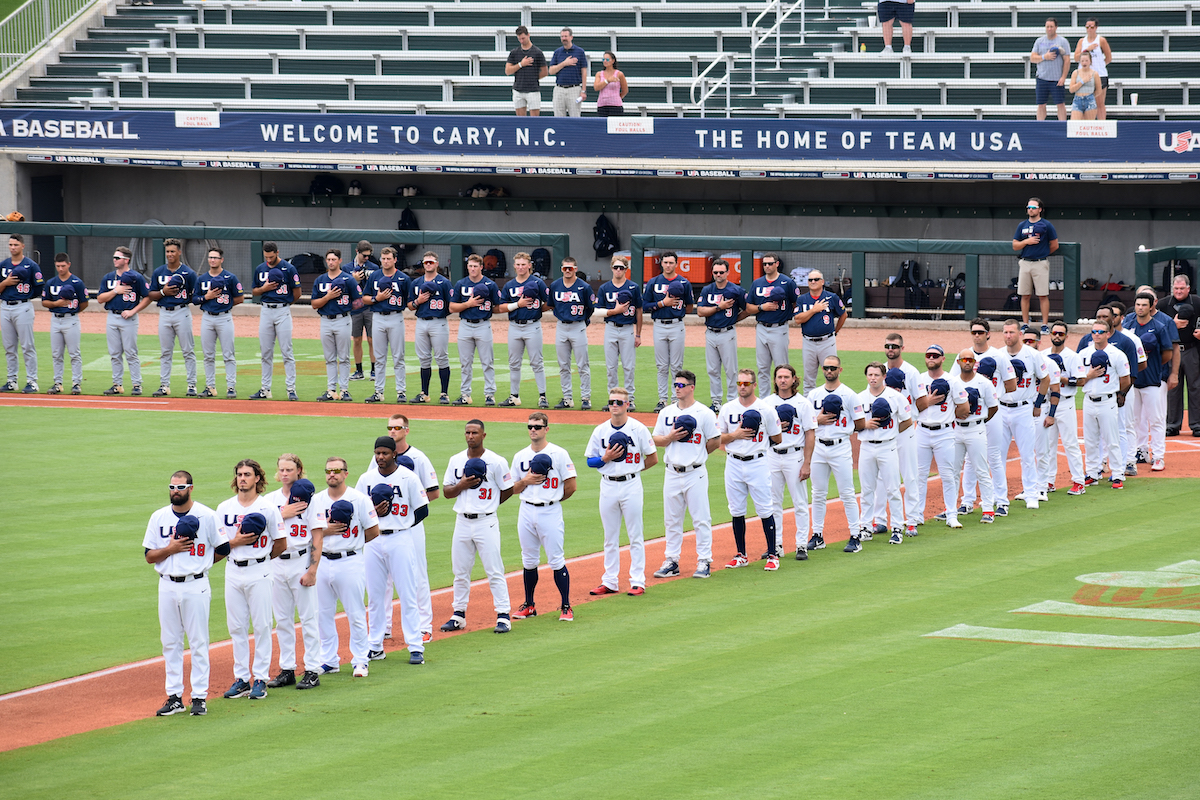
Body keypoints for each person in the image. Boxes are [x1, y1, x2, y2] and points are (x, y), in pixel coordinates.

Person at [144, 471, 229, 717]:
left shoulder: (207, 515)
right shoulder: (158, 517)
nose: (175, 490)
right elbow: (149, 556)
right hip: (167, 585)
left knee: (198, 641)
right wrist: (170, 549)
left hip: (196, 585)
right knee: (170, 642)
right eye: (172, 486)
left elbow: (223, 548)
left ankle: (199, 697)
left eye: (180, 486)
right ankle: (174, 697)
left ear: (191, 488)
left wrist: (202, 565)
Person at [216, 459, 286, 701]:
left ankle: (260, 679)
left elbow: (281, 542)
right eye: (239, 474)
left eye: (247, 474)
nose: (242, 478)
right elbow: (219, 542)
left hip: (260, 570)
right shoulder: (224, 507)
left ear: (258, 478)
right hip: (233, 570)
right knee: (236, 626)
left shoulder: (268, 508)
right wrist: (235, 544)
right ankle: (241, 678)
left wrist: (263, 560)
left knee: (262, 625)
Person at [357, 436, 429, 665]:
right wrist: (372, 515)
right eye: (377, 453)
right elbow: (357, 511)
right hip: (374, 542)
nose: (380, 457)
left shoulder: (408, 477)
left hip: (400, 538)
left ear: (394, 454)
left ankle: (415, 646)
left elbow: (422, 509)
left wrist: (403, 524)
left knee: (408, 594)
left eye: (384, 453)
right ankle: (375, 645)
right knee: (376, 596)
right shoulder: (366, 479)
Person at [441, 420, 516, 633]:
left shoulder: (496, 461)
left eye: (475, 432)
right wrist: (461, 485)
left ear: (483, 435)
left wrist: (491, 504)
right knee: (460, 571)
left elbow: (508, 488)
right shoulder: (455, 460)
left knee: (494, 570)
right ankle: (458, 615)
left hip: (486, 521)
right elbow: (447, 492)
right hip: (462, 521)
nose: (470, 436)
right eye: (467, 432)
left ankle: (503, 615)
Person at [309, 456, 380, 677]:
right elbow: (312, 533)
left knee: (355, 612)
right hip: (322, 562)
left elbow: (373, 530)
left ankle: (361, 660)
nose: (332, 474)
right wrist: (327, 532)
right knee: (323, 613)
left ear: (346, 474)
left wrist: (354, 544)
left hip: (350, 561)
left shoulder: (359, 499)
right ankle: (329, 660)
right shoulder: (317, 500)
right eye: (329, 470)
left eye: (337, 470)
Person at [585, 387, 658, 594]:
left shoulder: (638, 429)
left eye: (619, 402)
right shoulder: (600, 430)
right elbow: (590, 461)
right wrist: (605, 459)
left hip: (631, 485)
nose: (614, 405)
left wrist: (632, 470)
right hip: (607, 485)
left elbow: (653, 458)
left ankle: (638, 580)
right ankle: (609, 581)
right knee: (610, 536)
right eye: (611, 402)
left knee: (635, 534)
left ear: (627, 405)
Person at [652, 369, 721, 579]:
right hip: (671, 472)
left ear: (692, 387)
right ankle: (671, 560)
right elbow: (655, 439)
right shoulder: (666, 413)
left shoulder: (705, 413)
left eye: (681, 385)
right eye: (675, 385)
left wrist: (698, 455)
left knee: (701, 518)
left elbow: (715, 441)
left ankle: (704, 561)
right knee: (671, 520)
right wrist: (670, 437)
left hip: (695, 472)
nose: (677, 389)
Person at [263, 454, 322, 691]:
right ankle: (287, 669)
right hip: (276, 563)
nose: (285, 473)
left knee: (309, 617)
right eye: (282, 469)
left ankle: (312, 669)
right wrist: (281, 514)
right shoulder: (269, 500)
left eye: (290, 469)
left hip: (300, 561)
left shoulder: (310, 500)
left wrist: (313, 569)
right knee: (283, 619)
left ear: (299, 470)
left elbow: (317, 534)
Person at [511, 412, 578, 621]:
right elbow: (512, 488)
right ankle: (529, 605)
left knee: (556, 559)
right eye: (530, 426)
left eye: (538, 426)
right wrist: (526, 481)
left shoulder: (559, 453)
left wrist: (553, 499)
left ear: (546, 429)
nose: (533, 430)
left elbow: (571, 485)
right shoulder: (520, 456)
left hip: (550, 510)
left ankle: (566, 606)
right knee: (529, 559)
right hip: (526, 509)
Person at [382, 414, 439, 642]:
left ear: (406, 430)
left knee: (417, 573)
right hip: (386, 527)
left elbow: (433, 492)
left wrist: (409, 502)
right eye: (390, 427)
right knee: (383, 577)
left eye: (397, 427)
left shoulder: (418, 458)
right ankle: (384, 626)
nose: (393, 431)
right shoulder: (380, 458)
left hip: (412, 525)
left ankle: (425, 626)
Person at [719, 369, 784, 568]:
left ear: (754, 385)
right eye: (739, 383)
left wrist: (759, 446)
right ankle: (741, 554)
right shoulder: (727, 409)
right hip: (733, 462)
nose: (742, 387)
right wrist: (736, 435)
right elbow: (718, 438)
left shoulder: (766, 409)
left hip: (758, 462)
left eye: (746, 383)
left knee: (765, 508)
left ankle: (773, 555)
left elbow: (778, 438)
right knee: (736, 509)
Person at [952, 320, 1017, 515]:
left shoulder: (999, 356)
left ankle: (1002, 501)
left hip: (993, 412)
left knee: (995, 457)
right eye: (974, 332)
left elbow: (1011, 384)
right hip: (968, 416)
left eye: (981, 332)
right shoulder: (964, 356)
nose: (977, 335)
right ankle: (967, 501)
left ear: (988, 334)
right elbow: (952, 382)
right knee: (970, 460)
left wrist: (992, 395)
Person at [805, 357, 866, 552]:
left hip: (840, 447)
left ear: (840, 369)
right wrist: (818, 420)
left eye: (833, 368)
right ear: (822, 369)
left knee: (847, 493)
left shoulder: (849, 395)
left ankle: (855, 535)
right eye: (826, 368)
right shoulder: (813, 395)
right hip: (819, 448)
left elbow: (860, 423)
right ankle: (817, 535)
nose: (829, 371)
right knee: (818, 493)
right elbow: (806, 423)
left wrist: (843, 428)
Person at [998, 320, 1055, 510]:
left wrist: (1038, 403)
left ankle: (1031, 494)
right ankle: (998, 495)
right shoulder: (998, 355)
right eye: (1005, 332)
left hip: (1023, 408)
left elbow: (1045, 379)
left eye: (1011, 332)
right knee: (998, 455)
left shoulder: (1032, 355)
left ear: (1019, 334)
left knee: (1027, 454)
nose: (1008, 336)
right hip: (1001, 408)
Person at [912, 345, 969, 529]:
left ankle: (951, 514)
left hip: (944, 432)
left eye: (935, 356)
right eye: (928, 355)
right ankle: (917, 515)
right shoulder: (918, 380)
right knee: (919, 475)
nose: (931, 358)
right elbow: (912, 407)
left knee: (948, 475)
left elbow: (964, 407)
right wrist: (927, 402)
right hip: (921, 430)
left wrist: (950, 415)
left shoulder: (952, 381)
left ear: (943, 358)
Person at [765, 364, 816, 558]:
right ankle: (776, 545)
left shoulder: (803, 404)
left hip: (794, 456)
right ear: (775, 380)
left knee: (800, 502)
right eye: (779, 377)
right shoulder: (767, 403)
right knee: (773, 502)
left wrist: (807, 462)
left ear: (794, 379)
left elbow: (810, 434)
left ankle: (801, 544)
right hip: (772, 455)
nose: (783, 380)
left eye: (787, 377)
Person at [858, 361, 912, 542]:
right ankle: (865, 527)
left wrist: (892, 433)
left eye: (876, 375)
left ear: (884, 377)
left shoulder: (895, 397)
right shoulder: (859, 398)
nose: (873, 378)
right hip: (866, 446)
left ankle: (897, 527)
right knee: (866, 490)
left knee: (893, 489)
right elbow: (854, 423)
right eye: (870, 375)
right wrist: (865, 425)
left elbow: (907, 420)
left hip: (887, 446)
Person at [1079, 319, 1131, 489]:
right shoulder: (1083, 353)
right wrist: (1089, 376)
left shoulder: (1117, 354)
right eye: (1094, 331)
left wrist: (1119, 394)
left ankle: (1117, 474)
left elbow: (1125, 379)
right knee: (1090, 440)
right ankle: (1092, 473)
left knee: (1112, 439)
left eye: (1100, 332)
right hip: (1088, 400)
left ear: (1108, 334)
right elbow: (1078, 380)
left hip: (1107, 400)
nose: (1096, 335)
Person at [1125, 291, 1173, 471]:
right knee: (1134, 419)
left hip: (1153, 380)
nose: (1140, 308)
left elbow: (1167, 352)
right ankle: (1139, 452)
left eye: (1144, 305)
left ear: (1152, 306)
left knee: (1157, 419)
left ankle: (1159, 456)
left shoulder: (1159, 326)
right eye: (1138, 304)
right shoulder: (1128, 324)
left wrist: (1152, 366)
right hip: (1132, 381)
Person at [883, 333, 927, 532]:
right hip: (885, 431)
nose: (891, 349)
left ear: (902, 348)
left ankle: (914, 517)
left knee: (909, 474)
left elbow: (921, 401)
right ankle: (880, 520)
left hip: (906, 428)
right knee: (881, 477)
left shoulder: (912, 372)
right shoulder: (880, 370)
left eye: (894, 346)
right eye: (888, 345)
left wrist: (911, 419)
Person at [249, 242, 302, 401]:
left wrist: (285, 304)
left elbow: (297, 292)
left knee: (287, 351)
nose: (269, 259)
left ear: (277, 253)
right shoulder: (260, 269)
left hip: (282, 310)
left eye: (271, 256)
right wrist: (264, 289)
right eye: (266, 257)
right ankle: (265, 389)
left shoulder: (288, 268)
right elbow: (254, 291)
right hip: (265, 310)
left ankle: (291, 389)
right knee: (265, 352)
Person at [498, 252, 550, 409]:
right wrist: (517, 305)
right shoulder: (509, 285)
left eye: (523, 264)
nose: (521, 267)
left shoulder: (538, 282)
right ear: (514, 266)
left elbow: (549, 302)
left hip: (532, 325)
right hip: (514, 325)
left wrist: (538, 311)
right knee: (514, 363)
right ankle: (514, 396)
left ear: (529, 265)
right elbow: (501, 307)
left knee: (537, 362)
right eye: (518, 264)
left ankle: (542, 397)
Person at [951, 350, 999, 524]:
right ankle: (951, 510)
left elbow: (993, 407)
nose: (967, 362)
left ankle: (988, 509)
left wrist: (981, 420)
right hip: (956, 430)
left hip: (976, 429)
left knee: (981, 469)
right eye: (964, 359)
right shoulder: (953, 382)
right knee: (953, 471)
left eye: (970, 360)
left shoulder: (984, 383)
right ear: (958, 362)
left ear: (974, 362)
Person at [644, 251, 694, 412]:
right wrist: (662, 304)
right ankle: (662, 399)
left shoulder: (684, 282)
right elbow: (645, 305)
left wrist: (676, 313)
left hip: (676, 324)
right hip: (658, 324)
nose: (668, 265)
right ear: (661, 263)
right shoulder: (653, 282)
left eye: (671, 262)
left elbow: (690, 306)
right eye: (665, 262)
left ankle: (675, 398)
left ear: (676, 264)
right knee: (662, 365)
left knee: (676, 365)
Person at [450, 252, 501, 407]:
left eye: (475, 266)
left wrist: (489, 309)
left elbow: (497, 306)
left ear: (481, 267)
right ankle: (465, 394)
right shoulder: (461, 284)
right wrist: (468, 304)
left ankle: (490, 394)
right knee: (465, 362)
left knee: (487, 361)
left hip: (483, 324)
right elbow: (452, 307)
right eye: (470, 266)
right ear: (467, 267)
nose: (472, 269)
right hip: (465, 324)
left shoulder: (490, 285)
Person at [97, 247, 150, 396]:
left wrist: (133, 311)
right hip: (112, 316)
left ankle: (137, 384)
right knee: (114, 353)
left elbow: (147, 297)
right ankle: (117, 384)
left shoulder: (136, 277)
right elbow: (100, 299)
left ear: (126, 260)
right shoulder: (108, 277)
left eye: (117, 257)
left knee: (131, 352)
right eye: (114, 257)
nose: (114, 260)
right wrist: (115, 291)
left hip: (129, 318)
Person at [1042, 322, 1088, 495]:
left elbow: (1081, 381)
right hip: (1047, 403)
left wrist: (1061, 379)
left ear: (1066, 336)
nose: (1057, 336)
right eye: (1055, 333)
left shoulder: (1073, 357)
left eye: (1061, 334)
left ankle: (1079, 481)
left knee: (1070, 443)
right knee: (1048, 444)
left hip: (1065, 403)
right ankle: (1048, 481)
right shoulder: (1043, 355)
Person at [148, 238, 198, 397]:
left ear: (179, 252)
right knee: (165, 351)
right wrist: (164, 292)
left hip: (181, 312)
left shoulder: (189, 273)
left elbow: (194, 295)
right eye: (168, 251)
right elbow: (151, 294)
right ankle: (164, 385)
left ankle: (192, 385)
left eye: (172, 251)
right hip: (164, 312)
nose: (169, 254)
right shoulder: (159, 271)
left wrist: (181, 299)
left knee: (188, 350)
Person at [698, 258, 748, 411]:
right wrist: (719, 307)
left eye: (721, 272)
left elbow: (748, 309)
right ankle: (716, 401)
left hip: (727, 332)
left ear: (727, 272)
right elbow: (700, 311)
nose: (718, 275)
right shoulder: (707, 290)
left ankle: (732, 401)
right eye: (715, 272)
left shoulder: (737, 290)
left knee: (730, 369)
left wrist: (733, 319)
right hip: (711, 332)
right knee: (712, 369)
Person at [193, 247, 243, 399]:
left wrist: (225, 306)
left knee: (228, 354)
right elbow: (194, 299)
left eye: (215, 257)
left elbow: (239, 298)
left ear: (222, 259)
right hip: (207, 317)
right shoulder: (201, 279)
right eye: (210, 257)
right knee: (208, 355)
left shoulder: (230, 277)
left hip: (224, 318)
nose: (212, 260)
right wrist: (206, 298)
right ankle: (210, 387)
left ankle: (231, 387)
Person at [362, 246, 410, 404]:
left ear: (395, 260)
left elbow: (408, 300)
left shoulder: (403, 278)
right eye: (383, 258)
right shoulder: (375, 276)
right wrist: (378, 298)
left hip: (395, 316)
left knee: (398, 357)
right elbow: (365, 298)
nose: (386, 261)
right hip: (378, 316)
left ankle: (401, 392)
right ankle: (378, 391)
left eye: (389, 258)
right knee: (379, 357)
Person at [311, 249, 361, 402]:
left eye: (334, 259)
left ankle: (344, 390)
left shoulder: (348, 279)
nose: (331, 262)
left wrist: (345, 308)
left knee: (344, 356)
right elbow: (314, 304)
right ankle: (331, 389)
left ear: (340, 261)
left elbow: (359, 301)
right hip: (325, 319)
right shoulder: (320, 280)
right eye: (329, 259)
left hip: (342, 319)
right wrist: (328, 297)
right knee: (329, 357)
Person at [596, 255, 642, 410]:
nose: (618, 270)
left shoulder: (633, 287)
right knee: (611, 367)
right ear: (611, 268)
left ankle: (630, 399)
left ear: (626, 269)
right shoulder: (604, 288)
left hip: (627, 328)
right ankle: (613, 399)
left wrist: (638, 334)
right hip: (610, 327)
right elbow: (598, 310)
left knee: (629, 366)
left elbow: (639, 311)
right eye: (615, 267)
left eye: (621, 267)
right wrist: (613, 311)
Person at [408, 250, 453, 404]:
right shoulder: (416, 283)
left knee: (441, 357)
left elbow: (451, 305)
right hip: (421, 321)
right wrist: (418, 301)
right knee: (424, 359)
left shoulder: (445, 282)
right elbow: (410, 305)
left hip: (438, 321)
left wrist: (442, 315)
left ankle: (444, 393)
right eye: (426, 262)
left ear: (437, 264)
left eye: (431, 262)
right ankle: (424, 393)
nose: (428, 264)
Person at [751, 252, 800, 398]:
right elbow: (749, 307)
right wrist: (762, 308)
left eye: (770, 263)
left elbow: (796, 302)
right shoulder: (757, 283)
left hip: (779, 328)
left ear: (777, 264)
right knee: (762, 368)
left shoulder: (787, 282)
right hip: (761, 327)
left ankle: (784, 397)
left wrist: (789, 315)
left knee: (782, 368)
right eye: (764, 264)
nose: (767, 266)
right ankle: (765, 400)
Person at [550, 255, 594, 410]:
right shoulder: (555, 285)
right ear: (561, 269)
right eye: (565, 268)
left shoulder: (584, 287)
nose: (567, 271)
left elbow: (590, 308)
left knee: (583, 364)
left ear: (575, 269)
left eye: (570, 268)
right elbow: (551, 305)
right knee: (563, 365)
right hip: (561, 326)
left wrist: (583, 321)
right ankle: (567, 397)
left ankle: (586, 397)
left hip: (578, 326)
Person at [0, 234, 42, 394]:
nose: (12, 247)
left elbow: (39, 287)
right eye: (10, 244)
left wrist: (26, 296)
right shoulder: (3, 265)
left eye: (16, 245)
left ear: (23, 246)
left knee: (27, 346)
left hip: (23, 307)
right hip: (5, 307)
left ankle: (32, 381)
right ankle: (12, 380)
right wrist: (5, 283)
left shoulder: (31, 265)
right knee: (9, 347)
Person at [41, 252, 87, 395]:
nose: (60, 269)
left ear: (68, 264)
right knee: (56, 354)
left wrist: (73, 312)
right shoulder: (51, 283)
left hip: (71, 319)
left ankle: (76, 383)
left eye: (63, 266)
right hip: (55, 319)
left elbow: (84, 303)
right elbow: (44, 302)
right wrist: (57, 303)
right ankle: (58, 383)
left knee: (74, 353)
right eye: (58, 266)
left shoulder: (77, 282)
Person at [1159, 275, 1200, 436]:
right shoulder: (1164, 304)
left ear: (1188, 288)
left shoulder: (1197, 302)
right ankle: (1172, 424)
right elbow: (1157, 323)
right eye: (1176, 288)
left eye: (1182, 288)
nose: (1179, 291)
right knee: (1172, 388)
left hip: (1192, 349)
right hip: (1171, 349)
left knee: (1195, 387)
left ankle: (1196, 424)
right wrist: (1172, 325)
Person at [794, 270, 847, 394]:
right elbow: (797, 319)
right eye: (810, 280)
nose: (813, 282)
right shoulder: (802, 299)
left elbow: (843, 314)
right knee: (809, 378)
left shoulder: (831, 297)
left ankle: (832, 403)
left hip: (827, 341)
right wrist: (814, 310)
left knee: (831, 374)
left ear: (822, 282)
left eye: (816, 279)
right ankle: (809, 407)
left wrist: (835, 331)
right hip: (808, 341)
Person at [1012, 198, 1058, 335]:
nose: (1030, 209)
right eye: (1028, 207)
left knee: (1043, 295)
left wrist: (1042, 253)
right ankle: (1025, 324)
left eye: (1033, 207)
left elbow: (1055, 245)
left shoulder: (1047, 224)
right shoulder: (1022, 225)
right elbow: (1015, 245)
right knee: (1024, 295)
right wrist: (1027, 241)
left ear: (1040, 209)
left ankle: (1044, 325)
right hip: (1025, 262)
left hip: (1040, 262)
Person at [1031, 17, 1071, 121]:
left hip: (1056, 79)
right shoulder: (1039, 41)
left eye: (1051, 27)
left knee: (1060, 104)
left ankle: (1062, 125)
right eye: (1047, 26)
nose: (1049, 29)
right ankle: (1040, 125)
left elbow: (1067, 60)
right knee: (1041, 104)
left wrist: (1063, 77)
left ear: (1056, 27)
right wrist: (1045, 57)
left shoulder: (1062, 41)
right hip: (1042, 78)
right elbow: (1032, 58)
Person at [349, 241, 377, 382]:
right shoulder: (347, 268)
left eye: (368, 255)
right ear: (357, 252)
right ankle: (358, 370)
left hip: (370, 307)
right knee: (357, 339)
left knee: (372, 340)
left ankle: (374, 370)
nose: (367, 258)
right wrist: (353, 280)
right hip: (355, 308)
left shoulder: (374, 267)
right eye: (364, 255)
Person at [1074, 17, 1112, 120]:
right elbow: (1076, 57)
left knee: (1099, 103)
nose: (1089, 29)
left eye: (1091, 27)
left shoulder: (1101, 40)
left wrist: (1100, 65)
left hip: (1099, 75)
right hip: (1085, 76)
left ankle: (1102, 126)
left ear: (1096, 28)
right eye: (1087, 27)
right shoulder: (1082, 41)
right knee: (1084, 103)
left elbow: (1108, 57)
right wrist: (1087, 49)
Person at [506, 25, 547, 117]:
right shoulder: (514, 52)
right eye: (519, 39)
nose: (522, 41)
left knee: (534, 120)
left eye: (523, 38)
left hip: (533, 90)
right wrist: (521, 64)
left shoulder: (537, 52)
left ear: (528, 35)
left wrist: (533, 78)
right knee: (520, 120)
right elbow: (508, 71)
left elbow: (545, 71)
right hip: (518, 90)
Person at [548, 27, 587, 117]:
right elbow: (551, 71)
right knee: (558, 116)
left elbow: (584, 72)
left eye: (565, 36)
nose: (564, 38)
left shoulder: (579, 52)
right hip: (559, 89)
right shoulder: (557, 52)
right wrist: (564, 63)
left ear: (571, 37)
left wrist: (583, 90)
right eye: (562, 36)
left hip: (574, 89)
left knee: (575, 117)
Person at [593, 51, 627, 116]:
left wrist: (616, 97)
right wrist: (607, 81)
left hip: (615, 106)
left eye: (607, 59)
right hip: (602, 105)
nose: (605, 61)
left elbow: (625, 90)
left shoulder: (619, 74)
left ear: (613, 61)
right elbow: (596, 87)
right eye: (603, 59)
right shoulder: (599, 74)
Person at [1068, 51, 1098, 121]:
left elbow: (1098, 90)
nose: (1084, 63)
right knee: (1074, 124)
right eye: (1082, 61)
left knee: (1088, 125)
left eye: (1086, 61)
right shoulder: (1076, 73)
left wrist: (1090, 96)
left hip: (1089, 100)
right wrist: (1082, 81)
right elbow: (1071, 89)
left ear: (1090, 61)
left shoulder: (1094, 74)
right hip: (1077, 99)